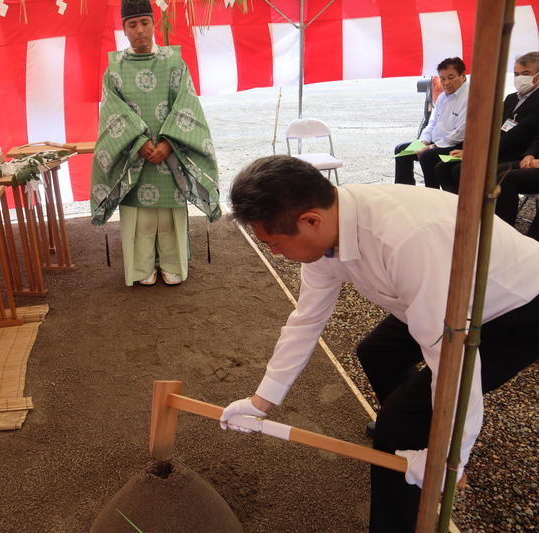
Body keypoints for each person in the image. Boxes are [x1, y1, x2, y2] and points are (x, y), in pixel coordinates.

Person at [221, 155, 539, 532]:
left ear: (310, 220)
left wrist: (450, 458)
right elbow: (305, 320)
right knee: (376, 353)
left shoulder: (404, 238)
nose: (275, 253)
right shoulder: (327, 227)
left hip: (516, 305)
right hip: (441, 294)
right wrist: (262, 402)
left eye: (274, 244)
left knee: (398, 422)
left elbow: (449, 357)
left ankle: (404, 500)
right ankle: (422, 428)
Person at [89, 0, 221, 287]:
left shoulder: (174, 62)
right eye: (132, 24)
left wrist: (169, 143)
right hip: (133, 157)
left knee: (168, 217)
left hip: (169, 154)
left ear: (153, 23)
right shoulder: (114, 69)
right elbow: (112, 113)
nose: (139, 30)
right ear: (124, 29)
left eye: (144, 22)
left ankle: (173, 265)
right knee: (142, 220)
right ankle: (142, 268)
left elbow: (187, 105)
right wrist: (138, 143)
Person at [436, 51, 539, 193]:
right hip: (495, 150)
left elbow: (518, 135)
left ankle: (474, 210)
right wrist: (472, 150)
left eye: (526, 73)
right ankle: (454, 207)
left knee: (463, 170)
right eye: (516, 74)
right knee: (443, 167)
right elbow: (492, 128)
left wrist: (478, 153)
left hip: (514, 153)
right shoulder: (511, 99)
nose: (520, 78)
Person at [394, 57, 468, 188]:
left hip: (455, 144)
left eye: (451, 77)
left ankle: (432, 192)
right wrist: (424, 141)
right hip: (435, 142)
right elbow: (432, 123)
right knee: (401, 150)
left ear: (462, 76)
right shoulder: (442, 97)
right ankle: (404, 190)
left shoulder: (469, 97)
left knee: (427, 155)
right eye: (442, 78)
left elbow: (461, 132)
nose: (446, 83)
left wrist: (432, 147)